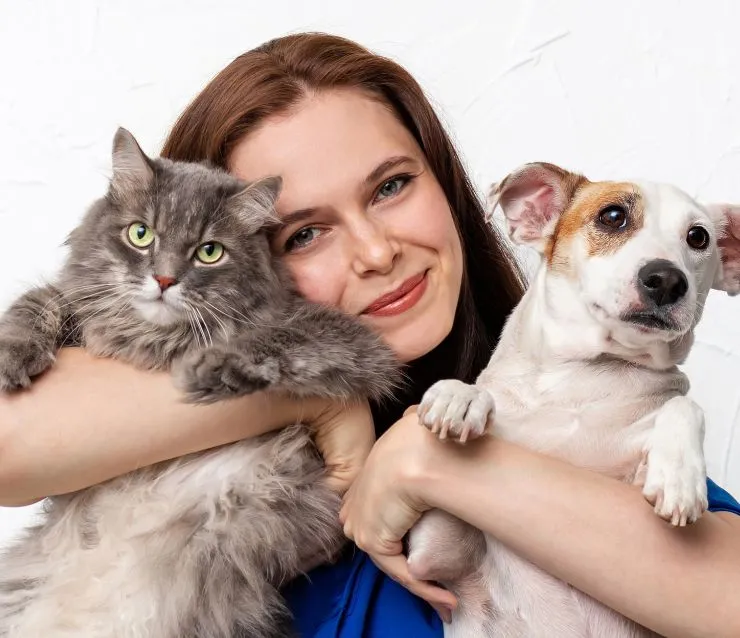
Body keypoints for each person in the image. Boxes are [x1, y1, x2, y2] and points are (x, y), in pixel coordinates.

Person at [1, 32, 739, 638]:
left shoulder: (607, 435)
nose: (376, 251)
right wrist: (324, 404)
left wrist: (431, 461)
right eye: (306, 233)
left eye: (392, 186)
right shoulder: (196, 453)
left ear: (444, 183)